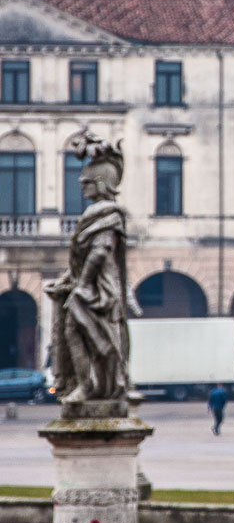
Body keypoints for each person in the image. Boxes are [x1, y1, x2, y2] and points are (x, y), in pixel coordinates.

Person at [46, 130, 129, 403]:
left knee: (78, 332)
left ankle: (88, 386)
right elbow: (83, 260)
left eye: (88, 180)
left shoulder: (107, 215)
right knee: (81, 334)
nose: (82, 183)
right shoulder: (98, 213)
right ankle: (87, 384)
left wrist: (81, 286)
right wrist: (65, 281)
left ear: (101, 182)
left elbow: (100, 252)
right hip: (90, 289)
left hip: (99, 293)